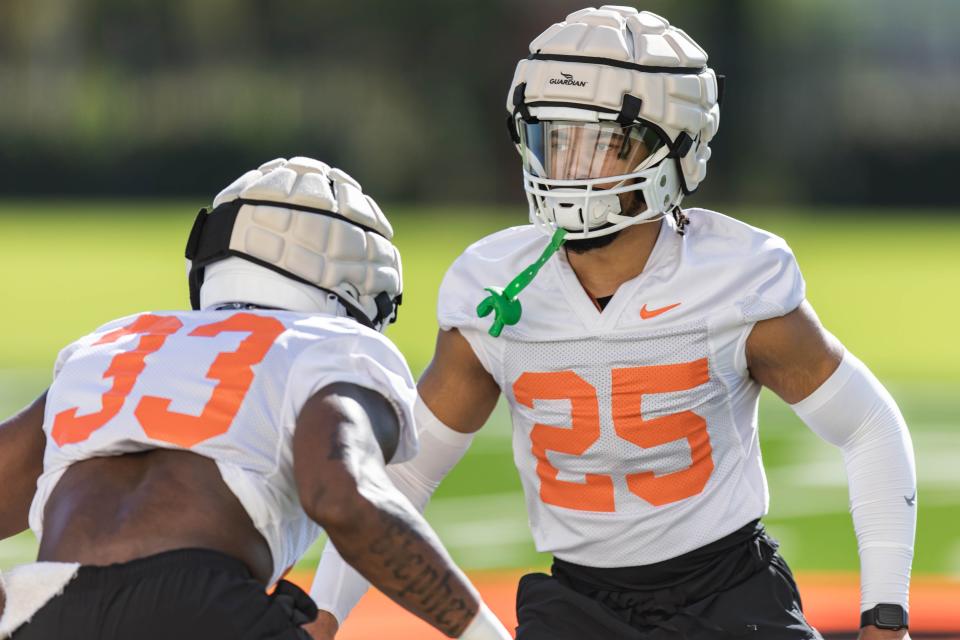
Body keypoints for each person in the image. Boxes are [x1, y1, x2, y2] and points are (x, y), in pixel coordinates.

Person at [308, 7, 916, 640]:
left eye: (601, 141)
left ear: (674, 144)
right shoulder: (492, 290)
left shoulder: (735, 278)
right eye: (554, 137)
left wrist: (886, 618)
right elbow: (406, 474)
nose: (569, 166)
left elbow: (868, 425)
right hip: (577, 603)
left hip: (728, 597)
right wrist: (322, 619)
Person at [0, 157, 511, 640]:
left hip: (42, 606)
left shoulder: (115, 342)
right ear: (363, 289)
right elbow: (341, 497)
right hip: (200, 604)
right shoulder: (337, 346)